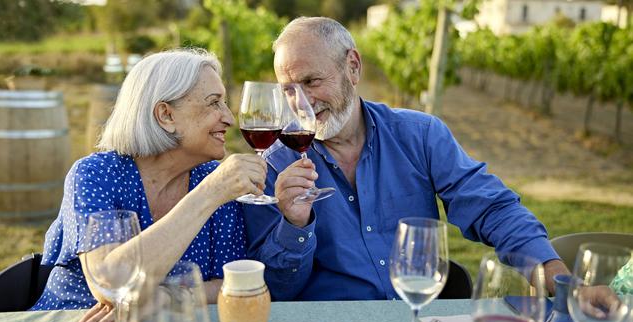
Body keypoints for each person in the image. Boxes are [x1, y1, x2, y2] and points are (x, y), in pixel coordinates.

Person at [242, 17, 570, 301]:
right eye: (288, 89)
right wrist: (294, 225)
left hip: (421, 316)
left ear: (353, 67)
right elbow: (276, 289)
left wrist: (551, 271)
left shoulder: (420, 135)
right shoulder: (273, 167)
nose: (302, 102)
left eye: (311, 81)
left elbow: (489, 206)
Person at [30, 48, 268, 322]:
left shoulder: (215, 179)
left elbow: (232, 282)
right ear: (166, 115)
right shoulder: (96, 175)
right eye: (214, 103)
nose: (229, 117)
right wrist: (208, 194)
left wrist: (163, 297)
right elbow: (111, 284)